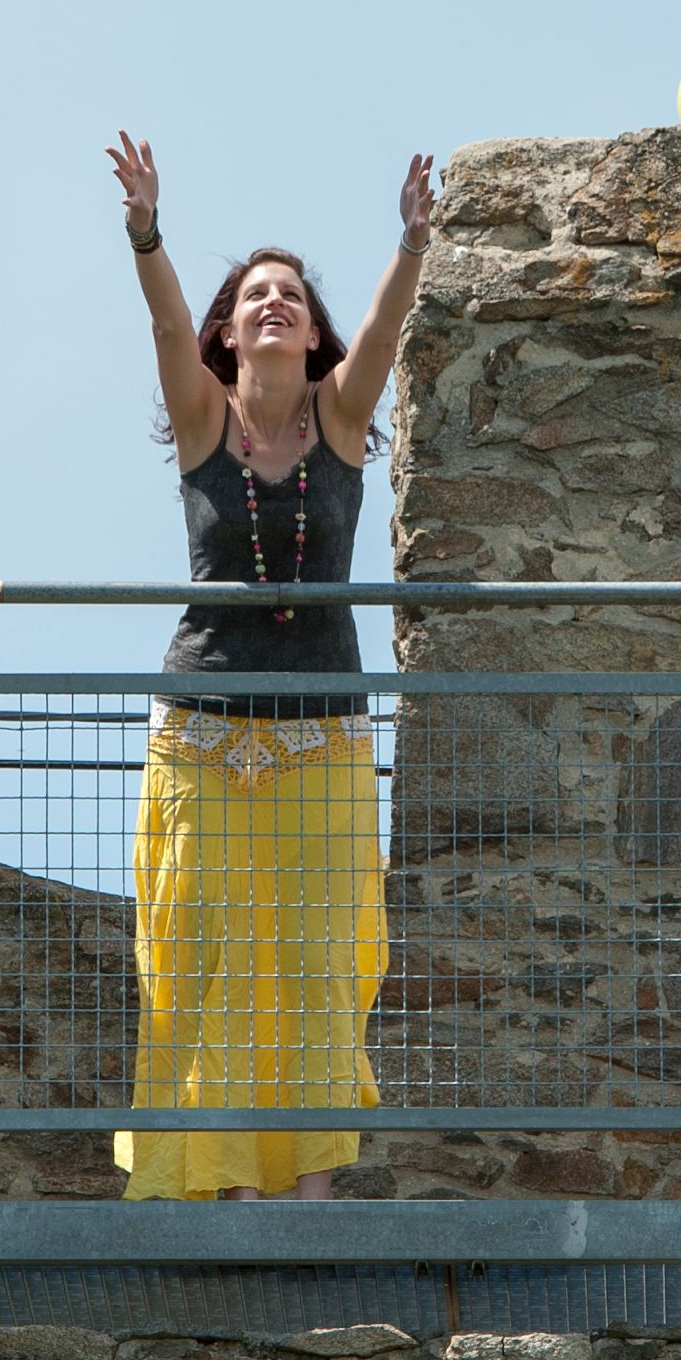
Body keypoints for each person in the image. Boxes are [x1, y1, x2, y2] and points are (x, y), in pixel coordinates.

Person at [101, 132, 431, 1201]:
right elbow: (160, 320)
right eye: (255, 295)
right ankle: (226, 1184)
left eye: (291, 293)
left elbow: (383, 332)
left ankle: (311, 1191)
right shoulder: (205, 422)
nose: (274, 304)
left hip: (322, 736)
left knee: (320, 960)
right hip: (199, 738)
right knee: (205, 958)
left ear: (311, 328)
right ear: (231, 331)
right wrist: (147, 231)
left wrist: (410, 243)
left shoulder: (337, 421)